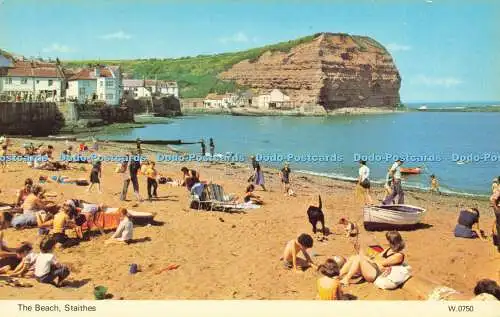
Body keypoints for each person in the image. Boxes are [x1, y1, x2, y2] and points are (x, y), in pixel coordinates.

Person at [339, 231, 405, 286]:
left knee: (359, 258)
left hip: (377, 273)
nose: (388, 242)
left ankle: (346, 279)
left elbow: (380, 262)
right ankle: (339, 275)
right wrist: (362, 253)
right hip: (373, 267)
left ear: (394, 242)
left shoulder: (399, 255)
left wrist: (365, 257)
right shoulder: (389, 249)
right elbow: (377, 258)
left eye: (389, 241)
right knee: (354, 257)